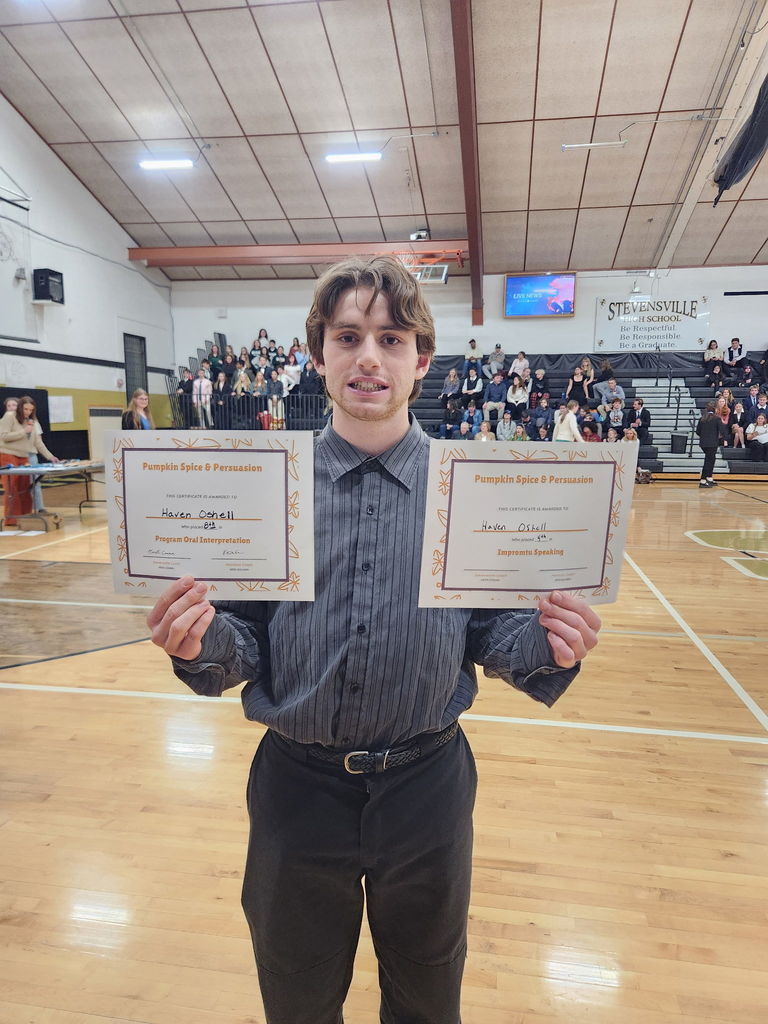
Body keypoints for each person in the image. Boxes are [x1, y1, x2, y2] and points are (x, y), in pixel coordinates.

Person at [146, 255, 600, 1024]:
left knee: (427, 997)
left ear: (421, 360)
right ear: (318, 354)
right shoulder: (273, 489)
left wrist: (553, 645)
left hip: (427, 788)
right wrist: (198, 641)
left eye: (391, 339)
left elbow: (492, 630)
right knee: (297, 998)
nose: (368, 357)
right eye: (348, 336)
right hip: (298, 790)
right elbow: (247, 644)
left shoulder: (469, 489)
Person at [0, 395, 60, 524]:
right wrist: (23, 431)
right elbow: (4, 436)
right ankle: (11, 520)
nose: (27, 412)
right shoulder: (9, 417)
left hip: (24, 456)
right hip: (7, 454)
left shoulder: (32, 421)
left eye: (30, 410)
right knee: (12, 488)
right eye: (25, 409)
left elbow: (38, 443)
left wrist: (51, 457)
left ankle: (25, 517)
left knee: (25, 488)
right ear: (20, 407)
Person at [696, 401, 721, 487]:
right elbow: (721, 430)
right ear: (715, 409)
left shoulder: (702, 418)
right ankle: (702, 480)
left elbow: (697, 432)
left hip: (703, 443)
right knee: (708, 461)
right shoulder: (717, 419)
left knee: (711, 459)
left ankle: (709, 477)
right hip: (712, 443)